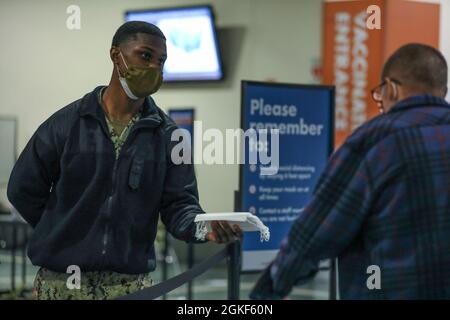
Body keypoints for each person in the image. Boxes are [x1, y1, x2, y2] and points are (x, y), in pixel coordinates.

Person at [7, 21, 242, 300]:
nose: (154, 67)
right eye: (145, 56)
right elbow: (22, 189)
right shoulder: (67, 125)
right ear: (116, 55)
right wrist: (61, 229)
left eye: (161, 60)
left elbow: (179, 204)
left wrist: (204, 228)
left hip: (130, 286)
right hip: (62, 283)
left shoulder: (168, 136)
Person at [250, 43, 450, 300]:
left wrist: (270, 290)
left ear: (391, 89)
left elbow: (317, 231)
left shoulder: (377, 139)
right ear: (442, 91)